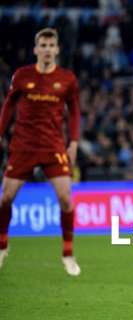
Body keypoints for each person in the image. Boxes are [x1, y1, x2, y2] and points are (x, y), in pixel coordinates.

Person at [0, 28, 81, 276]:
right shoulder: (22, 76)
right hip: (23, 145)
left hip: (53, 146)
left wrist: (74, 142)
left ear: (57, 49)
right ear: (36, 49)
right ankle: (2, 246)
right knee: (6, 198)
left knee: (66, 198)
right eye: (42, 45)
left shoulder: (67, 79)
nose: (47, 49)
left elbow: (75, 111)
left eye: (51, 45)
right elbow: (8, 106)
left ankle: (68, 254)